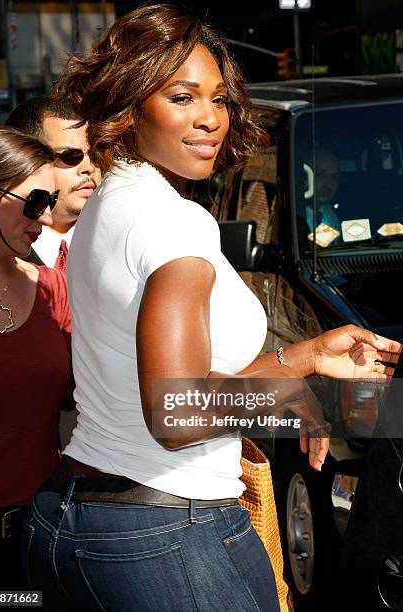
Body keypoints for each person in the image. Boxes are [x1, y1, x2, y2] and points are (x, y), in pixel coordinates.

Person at [23, 5, 401, 611]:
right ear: (128, 108)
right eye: (182, 97)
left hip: (78, 522)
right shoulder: (176, 222)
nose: (210, 119)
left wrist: (303, 358)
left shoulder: (109, 204)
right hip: (164, 539)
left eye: (220, 99)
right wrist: (287, 398)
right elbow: (177, 411)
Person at [0, 124, 73, 590]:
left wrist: (266, 389)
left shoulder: (54, 289)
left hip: (39, 531)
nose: (45, 217)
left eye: (50, 203)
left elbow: (97, 397)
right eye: (35, 200)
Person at [5, 95, 101, 270]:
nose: (89, 167)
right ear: (24, 161)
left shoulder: (124, 237)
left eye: (96, 154)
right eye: (70, 156)